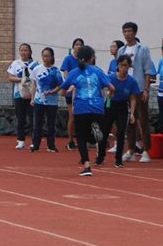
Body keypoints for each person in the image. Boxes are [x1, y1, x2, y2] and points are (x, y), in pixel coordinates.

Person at [56, 45, 113, 177]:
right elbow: (111, 87)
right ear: (92, 58)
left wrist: (67, 91)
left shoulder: (74, 72)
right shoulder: (98, 71)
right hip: (97, 107)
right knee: (92, 138)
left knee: (81, 138)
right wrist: (109, 99)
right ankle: (94, 133)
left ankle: (87, 165)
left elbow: (63, 91)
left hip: (81, 108)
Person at [118, 22, 154, 163]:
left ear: (135, 32)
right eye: (125, 31)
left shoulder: (142, 49)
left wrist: (146, 89)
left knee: (143, 120)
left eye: (129, 31)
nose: (127, 34)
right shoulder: (121, 50)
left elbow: (147, 70)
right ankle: (131, 150)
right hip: (125, 89)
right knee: (129, 121)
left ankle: (146, 150)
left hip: (138, 88)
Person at [96, 54, 140, 168]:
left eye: (126, 65)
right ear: (118, 65)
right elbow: (102, 87)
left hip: (122, 107)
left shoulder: (132, 81)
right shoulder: (110, 77)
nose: (123, 68)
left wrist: (132, 113)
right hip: (110, 104)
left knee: (121, 133)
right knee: (104, 131)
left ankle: (118, 159)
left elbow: (133, 98)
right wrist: (106, 96)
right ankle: (100, 157)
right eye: (121, 65)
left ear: (129, 66)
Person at [29, 47, 63, 152]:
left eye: (47, 56)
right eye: (44, 56)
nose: (45, 58)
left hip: (52, 101)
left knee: (51, 124)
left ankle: (51, 145)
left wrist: (52, 91)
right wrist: (32, 98)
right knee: (37, 123)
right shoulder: (37, 69)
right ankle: (35, 145)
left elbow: (60, 85)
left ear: (52, 57)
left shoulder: (55, 71)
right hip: (39, 100)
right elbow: (34, 85)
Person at [7, 43, 39, 150]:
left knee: (33, 118)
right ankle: (20, 140)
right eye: (21, 50)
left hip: (32, 95)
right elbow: (10, 77)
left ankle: (34, 141)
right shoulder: (16, 63)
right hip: (19, 94)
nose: (23, 52)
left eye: (25, 50)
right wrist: (21, 79)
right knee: (20, 118)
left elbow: (38, 78)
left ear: (30, 52)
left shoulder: (35, 64)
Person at [60, 38, 84, 151]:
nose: (78, 46)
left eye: (80, 44)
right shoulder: (68, 59)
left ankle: (82, 139)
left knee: (82, 117)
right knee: (72, 116)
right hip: (71, 91)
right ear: (73, 46)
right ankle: (70, 140)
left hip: (83, 92)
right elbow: (65, 74)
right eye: (76, 44)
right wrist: (71, 83)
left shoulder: (84, 59)